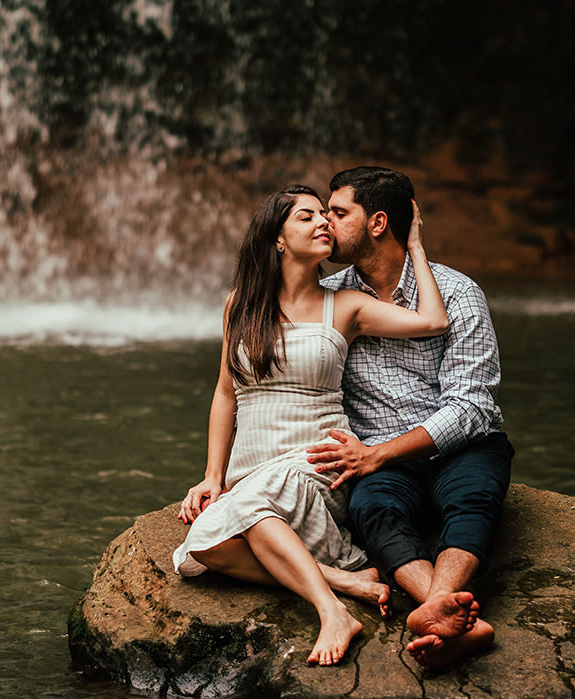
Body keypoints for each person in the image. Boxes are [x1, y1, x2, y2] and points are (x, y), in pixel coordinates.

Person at [172, 185, 449, 666]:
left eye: (326, 214)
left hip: (319, 460)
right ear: (277, 238)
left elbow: (433, 321)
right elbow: (225, 393)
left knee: (242, 517)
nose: (324, 222)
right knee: (209, 543)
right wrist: (213, 476)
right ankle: (341, 580)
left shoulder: (343, 306)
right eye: (307, 217)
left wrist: (417, 247)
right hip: (252, 468)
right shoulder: (240, 304)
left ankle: (331, 611)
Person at [308, 166, 514, 667]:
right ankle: (445, 615)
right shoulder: (329, 297)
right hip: (380, 460)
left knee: (474, 497)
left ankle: (432, 608)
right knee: (372, 510)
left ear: (378, 222)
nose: (326, 223)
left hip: (457, 447)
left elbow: (471, 406)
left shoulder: (458, 292)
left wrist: (377, 453)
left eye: (338, 212)